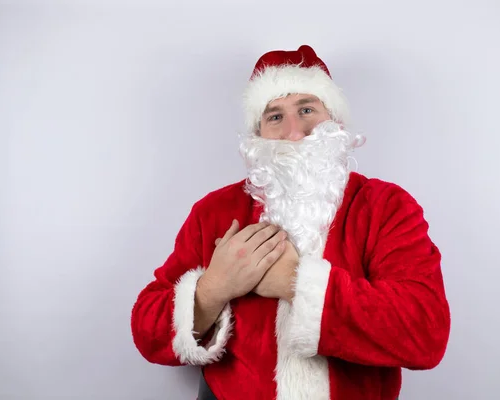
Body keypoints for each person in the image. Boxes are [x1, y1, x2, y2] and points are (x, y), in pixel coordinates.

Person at [130, 44, 451, 400]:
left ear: (335, 121)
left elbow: (425, 333)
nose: (295, 133)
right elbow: (147, 332)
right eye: (275, 116)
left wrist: (297, 283)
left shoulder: (385, 207)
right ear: (258, 135)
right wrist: (213, 289)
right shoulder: (215, 212)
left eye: (307, 109)